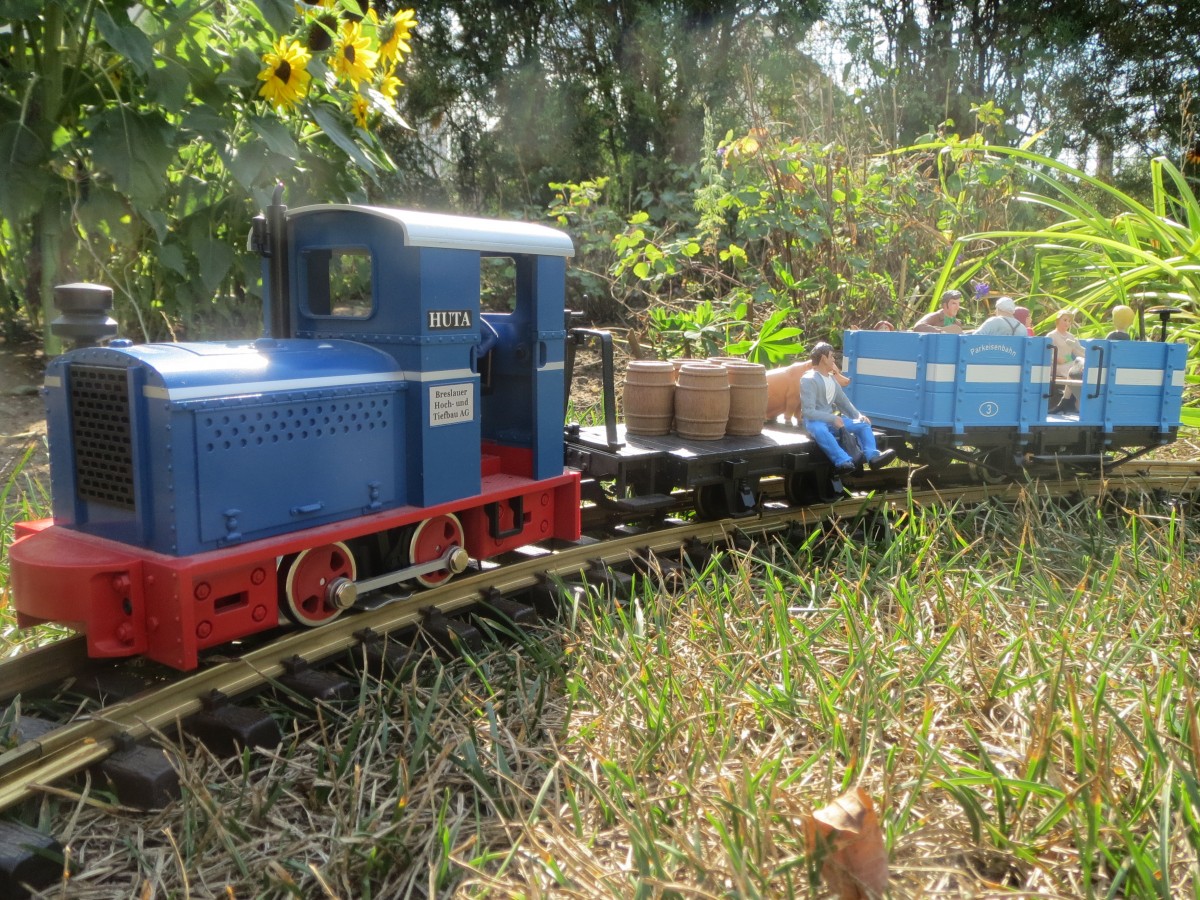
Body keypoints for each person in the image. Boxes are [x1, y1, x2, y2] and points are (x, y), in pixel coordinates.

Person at [800, 342, 897, 475]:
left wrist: (858, 416)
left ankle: (872, 457)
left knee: (863, 425)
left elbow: (844, 402)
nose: (834, 360)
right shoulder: (809, 380)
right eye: (831, 357)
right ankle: (842, 461)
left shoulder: (831, 379)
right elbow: (807, 411)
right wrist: (832, 418)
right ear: (823, 358)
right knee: (821, 431)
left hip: (832, 421)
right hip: (815, 421)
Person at [1049, 308, 1085, 412]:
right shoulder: (1051, 336)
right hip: (1056, 366)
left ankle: (1072, 402)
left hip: (1068, 365)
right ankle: (1072, 403)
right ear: (1058, 320)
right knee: (1074, 370)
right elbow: (1053, 357)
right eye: (1065, 320)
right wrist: (1067, 359)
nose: (1067, 323)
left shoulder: (1071, 337)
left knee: (1079, 369)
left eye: (1069, 321)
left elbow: (1078, 352)